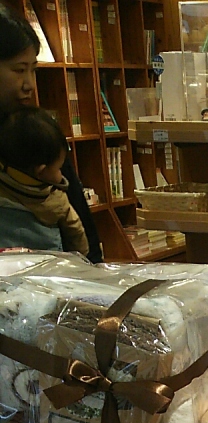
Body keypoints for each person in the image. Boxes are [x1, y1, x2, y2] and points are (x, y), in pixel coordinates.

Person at [0, 4, 101, 259]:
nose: (29, 85)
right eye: (19, 70)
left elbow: (75, 206)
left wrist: (93, 266)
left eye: (33, 70)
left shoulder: (33, 130)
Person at [0, 107, 88, 252]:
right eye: (58, 168)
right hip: (49, 263)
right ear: (41, 171)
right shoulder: (56, 200)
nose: (61, 174)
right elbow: (76, 233)